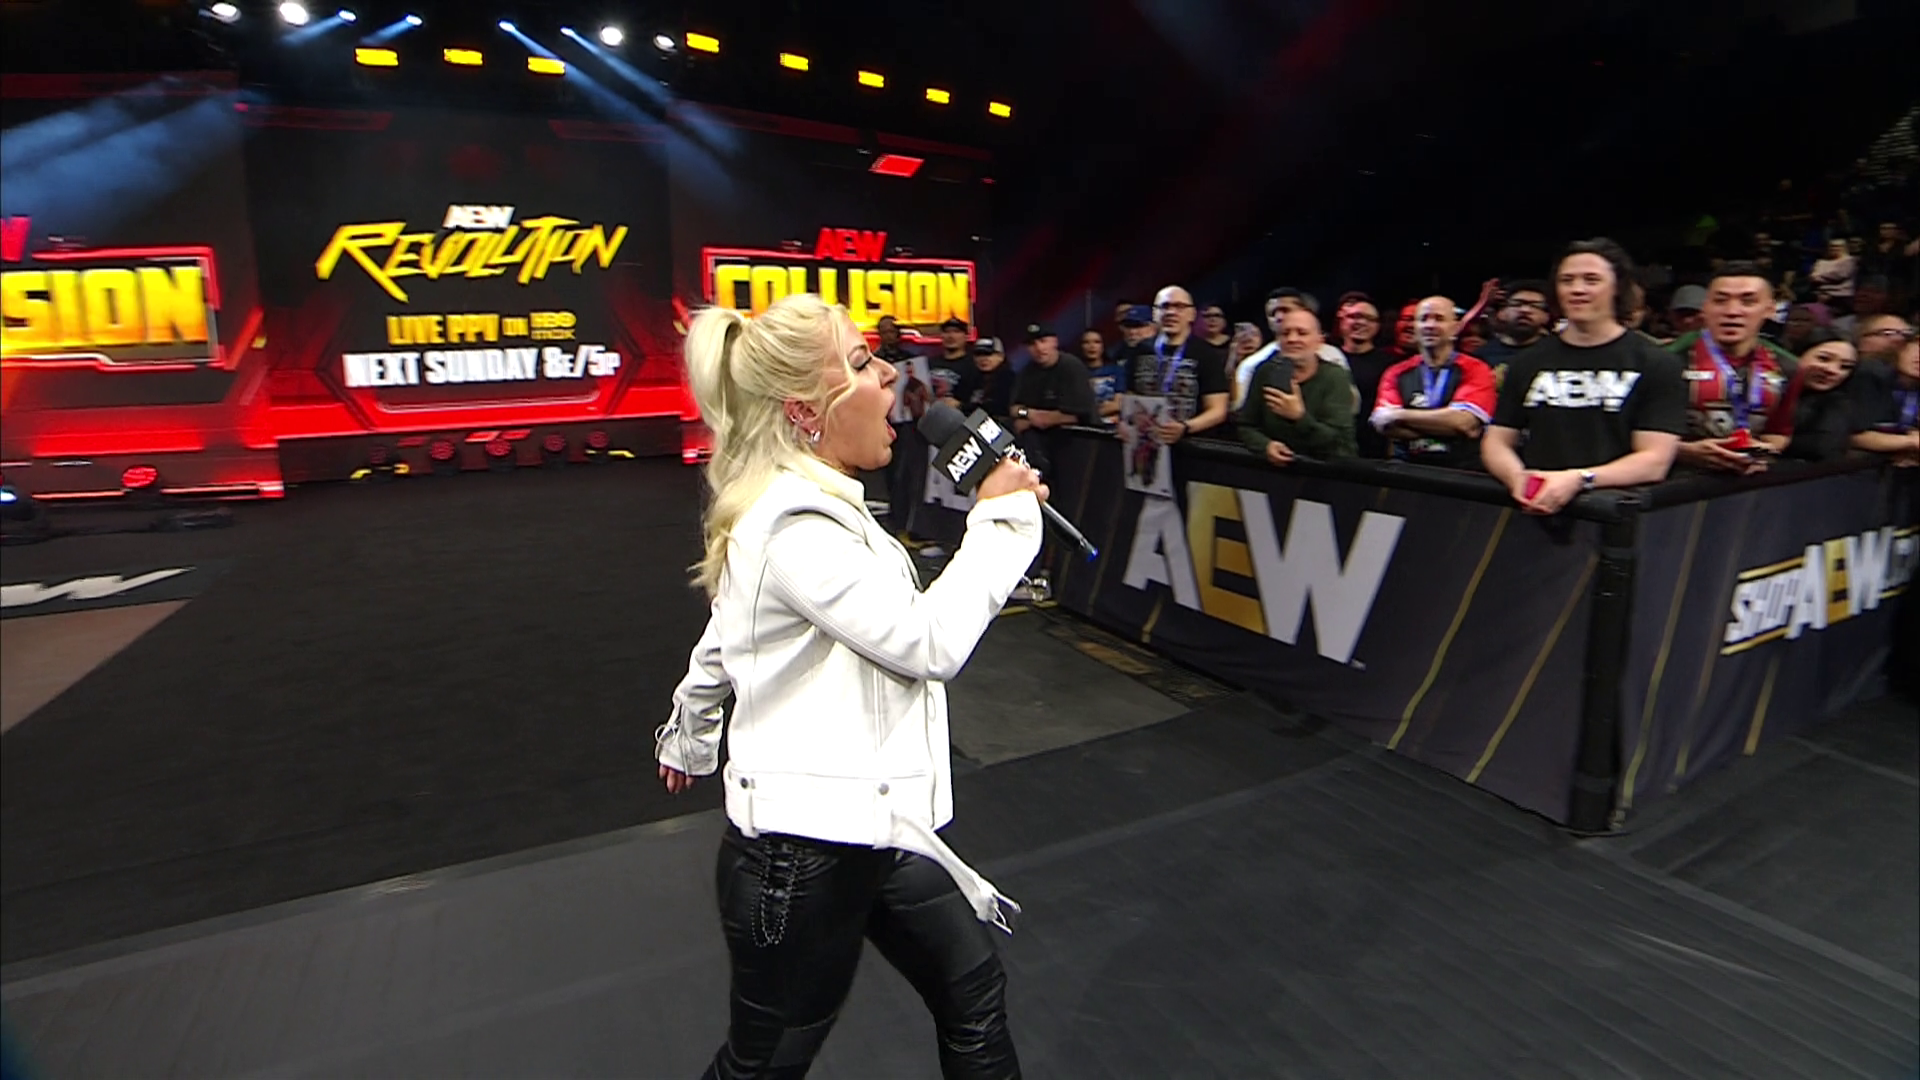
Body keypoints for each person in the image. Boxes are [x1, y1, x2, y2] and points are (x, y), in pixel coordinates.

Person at [658, 293, 1043, 1078]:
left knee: (973, 995)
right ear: (805, 411)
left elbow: (724, 632)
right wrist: (1003, 522)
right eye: (864, 362)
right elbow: (926, 642)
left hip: (875, 825)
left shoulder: (818, 506)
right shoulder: (794, 526)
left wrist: (689, 733)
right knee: (766, 1063)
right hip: (801, 858)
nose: (891, 373)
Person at [1481, 238, 1687, 513]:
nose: (1577, 289)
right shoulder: (1528, 361)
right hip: (1536, 511)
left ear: (1617, 287)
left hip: (1619, 517)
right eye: (1567, 280)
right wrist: (1516, 477)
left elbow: (1654, 461)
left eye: (1591, 280)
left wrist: (1579, 479)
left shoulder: (1656, 362)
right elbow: (1497, 439)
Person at [1667, 261, 1801, 473]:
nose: (1732, 311)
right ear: (1705, 307)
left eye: (1748, 301)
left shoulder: (1788, 367)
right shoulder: (1668, 360)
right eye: (1720, 301)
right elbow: (1630, 433)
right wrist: (1684, 451)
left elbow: (1779, 431)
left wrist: (1763, 450)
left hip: (1751, 482)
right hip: (1678, 481)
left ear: (1770, 309)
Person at [1370, 296, 1497, 470]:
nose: (1430, 325)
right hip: (1407, 469)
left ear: (1455, 328)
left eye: (1439, 319)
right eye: (1423, 319)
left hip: (1462, 471)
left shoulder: (1476, 369)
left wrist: (1398, 415)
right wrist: (1446, 425)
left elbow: (1464, 423)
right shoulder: (1396, 372)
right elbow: (1384, 425)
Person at [1237, 308, 1357, 466]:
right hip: (1275, 470)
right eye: (1285, 333)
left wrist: (1299, 417)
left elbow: (1337, 442)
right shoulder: (1265, 372)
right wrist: (1265, 446)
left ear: (1319, 341)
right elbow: (1246, 425)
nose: (1292, 339)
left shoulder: (1335, 376)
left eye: (1302, 333)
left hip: (1324, 470)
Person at [1130, 285, 1231, 445]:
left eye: (1179, 306)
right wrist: (1126, 423)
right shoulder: (1139, 351)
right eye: (1165, 306)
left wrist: (1185, 427)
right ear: (1154, 313)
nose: (1171, 312)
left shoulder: (1207, 354)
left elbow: (1218, 410)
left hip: (1190, 446)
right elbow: (1129, 397)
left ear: (1192, 314)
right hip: (1146, 444)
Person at [1009, 323, 1095, 471]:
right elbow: (1014, 409)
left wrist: (1035, 420)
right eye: (1032, 344)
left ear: (1054, 342)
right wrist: (1029, 413)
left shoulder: (1071, 367)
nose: (1038, 348)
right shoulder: (1027, 372)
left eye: (1043, 341)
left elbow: (1076, 415)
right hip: (1043, 442)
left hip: (1079, 441)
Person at [878, 315, 933, 532]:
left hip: (911, 426)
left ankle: (910, 521)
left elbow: (924, 395)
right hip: (883, 422)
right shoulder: (873, 361)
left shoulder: (912, 361)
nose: (888, 335)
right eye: (884, 331)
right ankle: (896, 519)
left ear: (898, 333)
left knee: (911, 473)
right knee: (891, 473)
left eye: (891, 331)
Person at [1779, 329, 1862, 462]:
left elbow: (1821, 447)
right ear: (1798, 354)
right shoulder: (1766, 386)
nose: (1832, 370)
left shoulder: (1839, 404)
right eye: (1823, 359)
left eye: (1845, 367)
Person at [1334, 292, 1393, 459]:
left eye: (1369, 319)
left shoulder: (1390, 364)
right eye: (1355, 316)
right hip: (1330, 446)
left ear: (1378, 326)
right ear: (1342, 320)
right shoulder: (1326, 356)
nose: (1361, 322)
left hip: (1373, 451)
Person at [1474, 279, 1553, 382]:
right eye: (1517, 304)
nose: (1525, 310)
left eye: (1535, 305)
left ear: (1546, 317)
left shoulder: (1555, 354)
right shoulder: (1481, 356)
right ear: (1501, 313)